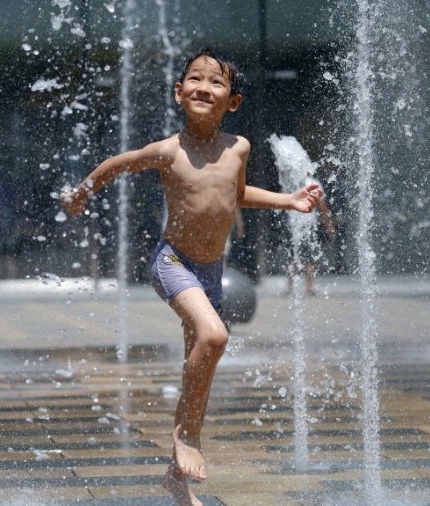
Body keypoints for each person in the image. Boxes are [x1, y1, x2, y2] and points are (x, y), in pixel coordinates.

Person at [60, 47, 323, 506]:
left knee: (197, 372)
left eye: (216, 81)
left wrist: (288, 200)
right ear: (179, 92)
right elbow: (116, 164)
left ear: (232, 101)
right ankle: (186, 438)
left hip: (212, 270)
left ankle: (175, 481)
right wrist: (82, 194)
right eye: (195, 79)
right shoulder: (168, 151)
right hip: (173, 263)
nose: (204, 86)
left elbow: (236, 194)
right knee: (215, 337)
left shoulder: (238, 147)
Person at [286, 175, 336, 296]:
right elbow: (322, 205)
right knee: (309, 259)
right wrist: (328, 224)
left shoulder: (290, 180)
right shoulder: (314, 183)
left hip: (294, 225)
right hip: (308, 225)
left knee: (293, 258)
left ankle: (292, 288)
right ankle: (308, 288)